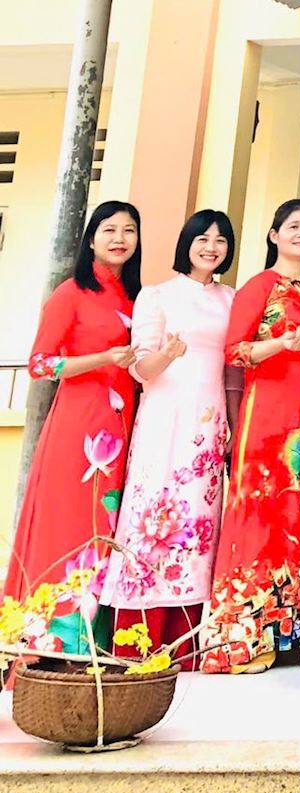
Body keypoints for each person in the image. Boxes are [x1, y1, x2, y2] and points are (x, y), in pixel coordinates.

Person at [200, 198, 300, 674]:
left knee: (298, 520)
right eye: (293, 225)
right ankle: (239, 640)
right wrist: (279, 343)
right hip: (266, 418)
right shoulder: (259, 286)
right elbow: (234, 351)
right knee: (257, 517)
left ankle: (285, 633)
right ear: (274, 235)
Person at [102, 209, 237, 666]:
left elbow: (234, 371)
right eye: (203, 238)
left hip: (208, 423)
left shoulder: (231, 299)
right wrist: (169, 354)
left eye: (220, 240)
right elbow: (141, 369)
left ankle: (185, 644)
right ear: (187, 243)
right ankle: (136, 641)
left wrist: (234, 423)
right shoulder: (157, 295)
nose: (211, 248)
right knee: (151, 517)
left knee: (199, 523)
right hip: (164, 420)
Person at [5, 202, 141, 601]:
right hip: (80, 424)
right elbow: (40, 364)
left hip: (123, 423)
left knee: (108, 520)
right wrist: (103, 358)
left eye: (129, 230)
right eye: (109, 230)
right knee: (69, 519)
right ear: (91, 240)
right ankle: (49, 625)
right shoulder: (72, 293)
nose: (119, 239)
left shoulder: (136, 298)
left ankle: (93, 629)